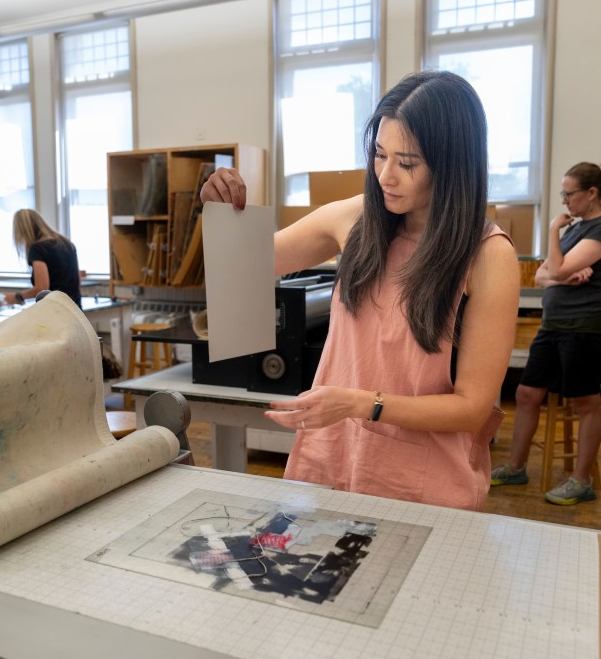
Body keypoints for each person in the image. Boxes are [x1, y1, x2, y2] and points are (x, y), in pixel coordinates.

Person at [201, 70, 520, 510]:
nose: (387, 176)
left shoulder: (488, 256)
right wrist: (220, 211)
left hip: (424, 478)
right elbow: (248, 262)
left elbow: (471, 408)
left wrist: (360, 403)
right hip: (332, 457)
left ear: (452, 164)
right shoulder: (357, 218)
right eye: (379, 155)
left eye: (407, 163)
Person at [490, 161, 601, 506]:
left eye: (569, 194)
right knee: (526, 394)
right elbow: (540, 277)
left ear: (592, 193)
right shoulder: (576, 230)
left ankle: (581, 481)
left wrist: (552, 232)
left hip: (585, 328)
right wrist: (562, 274)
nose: (564, 201)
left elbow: (557, 267)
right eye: (562, 194)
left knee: (585, 402)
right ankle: (516, 467)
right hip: (554, 326)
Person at [10, 209, 82, 305]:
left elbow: (41, 288)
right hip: (75, 308)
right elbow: (77, 279)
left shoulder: (37, 248)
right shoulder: (66, 243)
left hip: (56, 310)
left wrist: (17, 296)